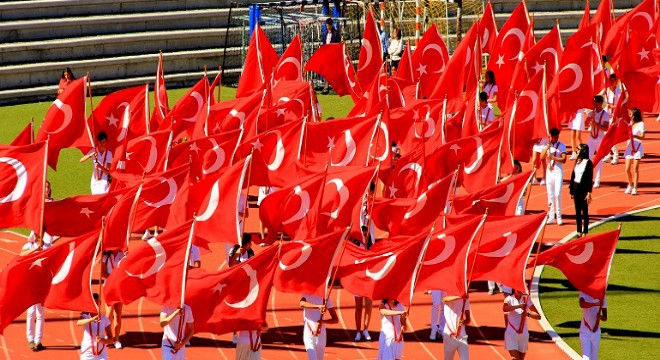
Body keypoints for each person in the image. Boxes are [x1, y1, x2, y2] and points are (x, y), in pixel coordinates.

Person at [22, 181, 55, 351]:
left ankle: (38, 340)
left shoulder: (48, 247)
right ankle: (29, 338)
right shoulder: (31, 246)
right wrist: (34, 246)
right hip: (31, 281)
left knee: (41, 312)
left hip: (42, 282)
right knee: (31, 312)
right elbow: (21, 254)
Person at [502, 290, 541, 360]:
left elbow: (538, 316)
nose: (520, 290)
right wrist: (519, 306)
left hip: (523, 334)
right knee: (515, 358)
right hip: (511, 333)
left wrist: (527, 314)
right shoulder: (509, 299)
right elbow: (505, 308)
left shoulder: (526, 299)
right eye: (518, 288)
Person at [300, 294, 338, 360]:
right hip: (309, 334)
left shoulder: (326, 297)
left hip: (321, 335)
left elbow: (335, 319)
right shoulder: (307, 292)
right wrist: (318, 307)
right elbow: (302, 303)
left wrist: (322, 322)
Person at [77, 293, 114, 360]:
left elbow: (111, 340)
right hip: (87, 353)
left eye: (97, 304)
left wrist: (102, 340)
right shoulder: (85, 316)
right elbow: (78, 323)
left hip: (101, 353)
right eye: (94, 304)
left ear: (100, 303)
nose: (96, 306)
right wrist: (92, 319)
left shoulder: (105, 319)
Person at [542, 127, 567, 225]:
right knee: (550, 194)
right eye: (554, 137)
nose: (555, 138)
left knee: (557, 194)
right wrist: (547, 148)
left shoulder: (562, 146)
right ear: (551, 136)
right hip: (549, 172)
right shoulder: (547, 146)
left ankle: (559, 216)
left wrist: (553, 157)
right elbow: (541, 157)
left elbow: (564, 159)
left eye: (557, 136)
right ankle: (551, 216)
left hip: (558, 172)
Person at [101, 249, 125, 349]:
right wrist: (113, 277)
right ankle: (108, 335)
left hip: (119, 287)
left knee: (118, 313)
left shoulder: (122, 254)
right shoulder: (105, 256)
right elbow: (103, 273)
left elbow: (125, 270)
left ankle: (117, 339)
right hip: (109, 287)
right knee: (109, 313)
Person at [585, 95, 610, 188]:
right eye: (593, 102)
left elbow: (606, 128)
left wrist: (597, 124)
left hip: (600, 138)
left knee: (598, 159)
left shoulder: (606, 115)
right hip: (591, 138)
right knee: (588, 158)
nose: (594, 104)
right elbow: (586, 124)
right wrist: (589, 118)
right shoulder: (591, 113)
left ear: (600, 103)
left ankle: (597, 180)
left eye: (595, 102)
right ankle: (588, 178)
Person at [570, 144, 593, 237]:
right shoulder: (577, 161)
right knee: (577, 211)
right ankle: (579, 230)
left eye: (578, 149)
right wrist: (571, 190)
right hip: (576, 187)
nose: (576, 150)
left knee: (585, 211)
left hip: (583, 189)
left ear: (583, 151)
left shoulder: (588, 162)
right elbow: (573, 176)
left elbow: (589, 179)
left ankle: (585, 231)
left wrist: (589, 192)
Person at [602, 73, 625, 165]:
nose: (612, 82)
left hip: (615, 117)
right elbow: (599, 99)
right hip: (606, 116)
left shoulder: (619, 92)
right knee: (606, 136)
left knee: (612, 136)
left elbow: (620, 105)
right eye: (610, 81)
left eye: (613, 81)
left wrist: (612, 107)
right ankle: (608, 154)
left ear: (616, 81)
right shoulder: (606, 91)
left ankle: (615, 156)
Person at [579, 292, 607, 360]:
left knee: (594, 358)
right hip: (585, 330)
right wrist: (595, 304)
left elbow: (605, 317)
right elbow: (582, 304)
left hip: (596, 331)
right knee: (586, 358)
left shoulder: (602, 296)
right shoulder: (584, 293)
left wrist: (600, 317)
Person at [624, 108, 645, 195]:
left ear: (635, 115)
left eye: (631, 114)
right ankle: (630, 184)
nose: (630, 116)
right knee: (627, 169)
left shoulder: (641, 124)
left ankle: (635, 188)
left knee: (635, 169)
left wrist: (635, 136)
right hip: (629, 147)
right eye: (630, 114)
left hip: (637, 147)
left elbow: (643, 137)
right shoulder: (629, 124)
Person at [442, 295, 470, 360]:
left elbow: (468, 320)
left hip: (462, 337)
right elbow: (445, 299)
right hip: (449, 336)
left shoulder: (465, 299)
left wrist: (464, 322)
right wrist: (460, 297)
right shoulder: (448, 293)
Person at [321, 18, 341, 95]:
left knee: (334, 72)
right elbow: (324, 43)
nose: (328, 27)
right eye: (327, 26)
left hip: (333, 55)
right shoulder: (325, 33)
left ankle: (336, 88)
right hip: (327, 55)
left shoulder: (336, 33)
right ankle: (326, 88)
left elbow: (338, 44)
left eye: (328, 25)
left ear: (331, 25)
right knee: (326, 72)